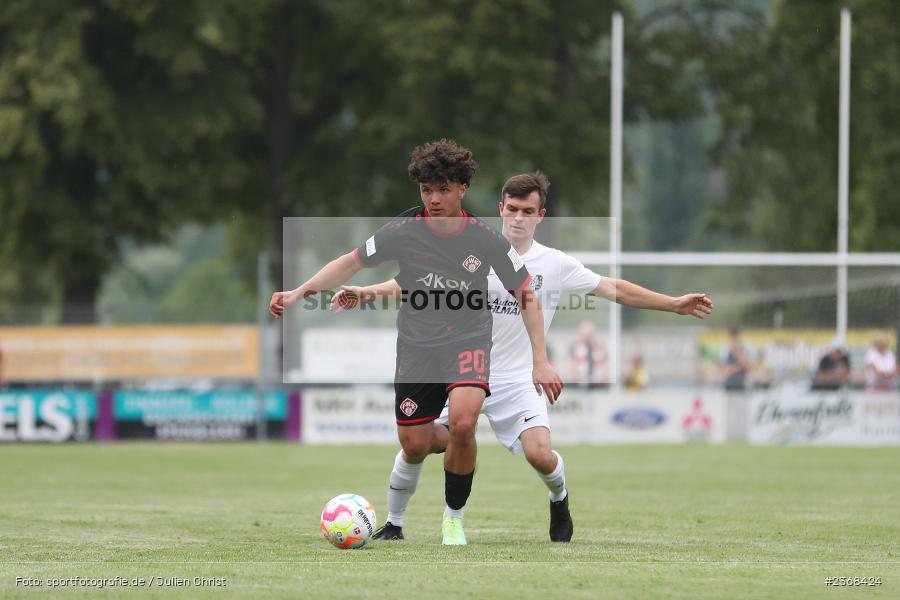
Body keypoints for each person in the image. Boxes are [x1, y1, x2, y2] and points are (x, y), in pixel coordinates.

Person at [333, 171, 713, 542]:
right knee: (416, 442)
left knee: (540, 455)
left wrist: (673, 304)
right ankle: (399, 522)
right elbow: (413, 284)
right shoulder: (473, 246)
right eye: (512, 208)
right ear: (501, 208)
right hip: (458, 369)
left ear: (540, 216)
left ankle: (559, 498)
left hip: (517, 379)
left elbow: (613, 288)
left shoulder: (556, 264)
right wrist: (367, 292)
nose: (518, 217)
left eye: (527, 211)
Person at [271, 141, 562, 546]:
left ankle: (453, 520)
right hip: (417, 347)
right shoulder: (403, 230)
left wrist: (541, 361)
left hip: (468, 339)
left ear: (462, 188)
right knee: (416, 443)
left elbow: (527, 294)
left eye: (443, 189)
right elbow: (350, 260)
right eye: (427, 190)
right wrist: (299, 292)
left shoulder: (485, 239)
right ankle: (402, 515)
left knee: (463, 422)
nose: (434, 198)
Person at [569, 321, 609, 388]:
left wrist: (604, 381)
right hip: (580, 385)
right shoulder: (575, 347)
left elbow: (605, 367)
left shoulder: (600, 348)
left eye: (590, 334)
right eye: (585, 335)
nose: (587, 337)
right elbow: (572, 368)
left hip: (598, 385)